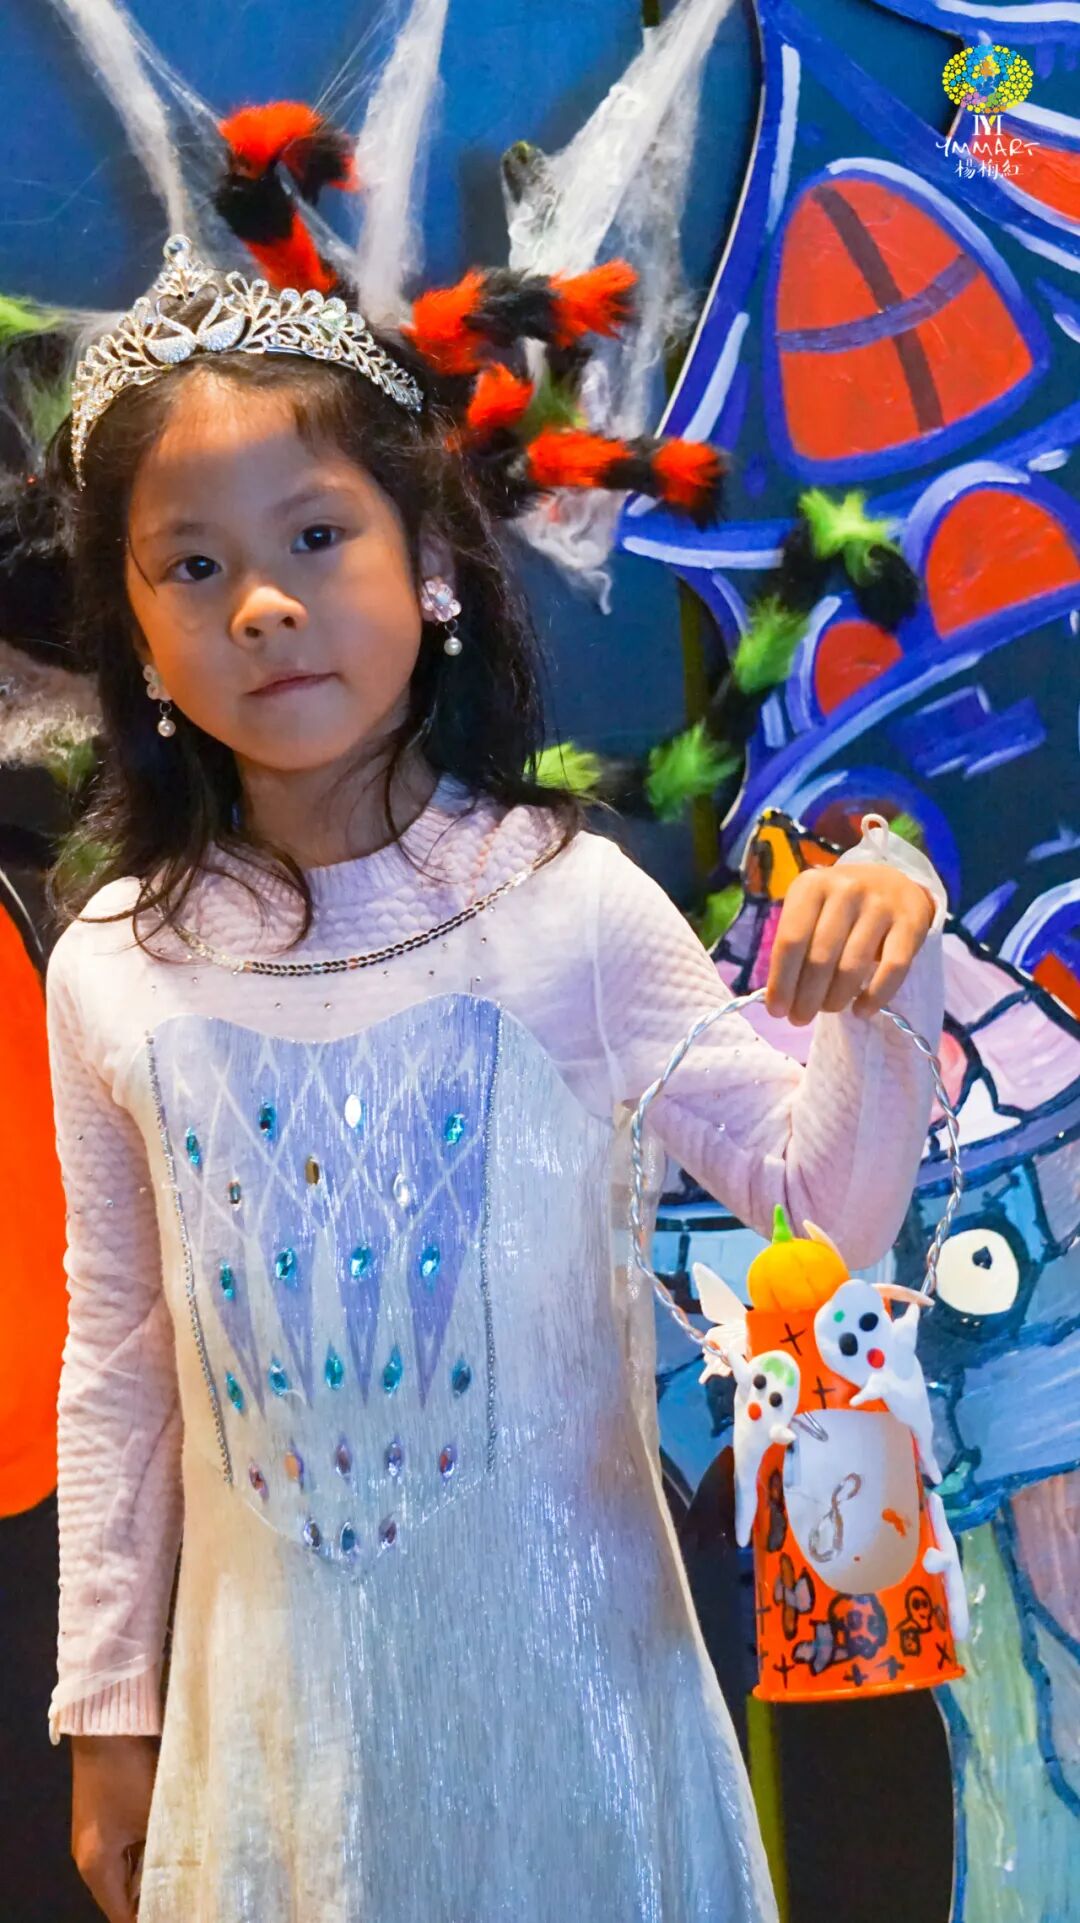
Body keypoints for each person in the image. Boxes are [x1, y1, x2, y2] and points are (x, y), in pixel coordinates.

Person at [38, 186, 945, 1922]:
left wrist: (891, 942)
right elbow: (122, 1360)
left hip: (581, 1730)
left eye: (318, 536)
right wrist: (107, 1709)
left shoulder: (570, 908)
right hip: (274, 1751)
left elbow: (821, 1198)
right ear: (137, 641)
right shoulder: (113, 973)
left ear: (433, 568)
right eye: (193, 567)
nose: (264, 605)